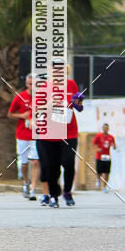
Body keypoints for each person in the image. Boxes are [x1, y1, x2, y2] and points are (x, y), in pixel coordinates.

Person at [34, 71, 83, 207]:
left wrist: (77, 103)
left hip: (69, 131)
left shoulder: (71, 84)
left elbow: (78, 107)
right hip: (50, 132)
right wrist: (49, 104)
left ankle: (67, 191)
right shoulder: (44, 87)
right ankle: (54, 196)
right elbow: (37, 109)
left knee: (68, 162)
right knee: (51, 166)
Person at [8, 74, 40, 200]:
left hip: (37, 134)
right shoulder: (20, 97)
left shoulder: (41, 97)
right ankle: (26, 182)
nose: (33, 87)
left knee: (36, 161)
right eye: (31, 84)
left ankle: (33, 188)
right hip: (22, 134)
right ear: (27, 84)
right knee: (25, 163)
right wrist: (22, 116)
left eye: (35, 84)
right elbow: (10, 114)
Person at [93, 123, 116, 190]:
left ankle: (104, 187)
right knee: (99, 171)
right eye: (104, 128)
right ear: (102, 128)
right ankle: (98, 180)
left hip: (107, 157)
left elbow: (114, 146)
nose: (105, 129)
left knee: (107, 172)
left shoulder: (111, 137)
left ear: (108, 129)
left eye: (106, 128)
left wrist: (114, 146)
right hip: (99, 157)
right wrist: (97, 149)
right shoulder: (98, 136)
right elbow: (94, 144)